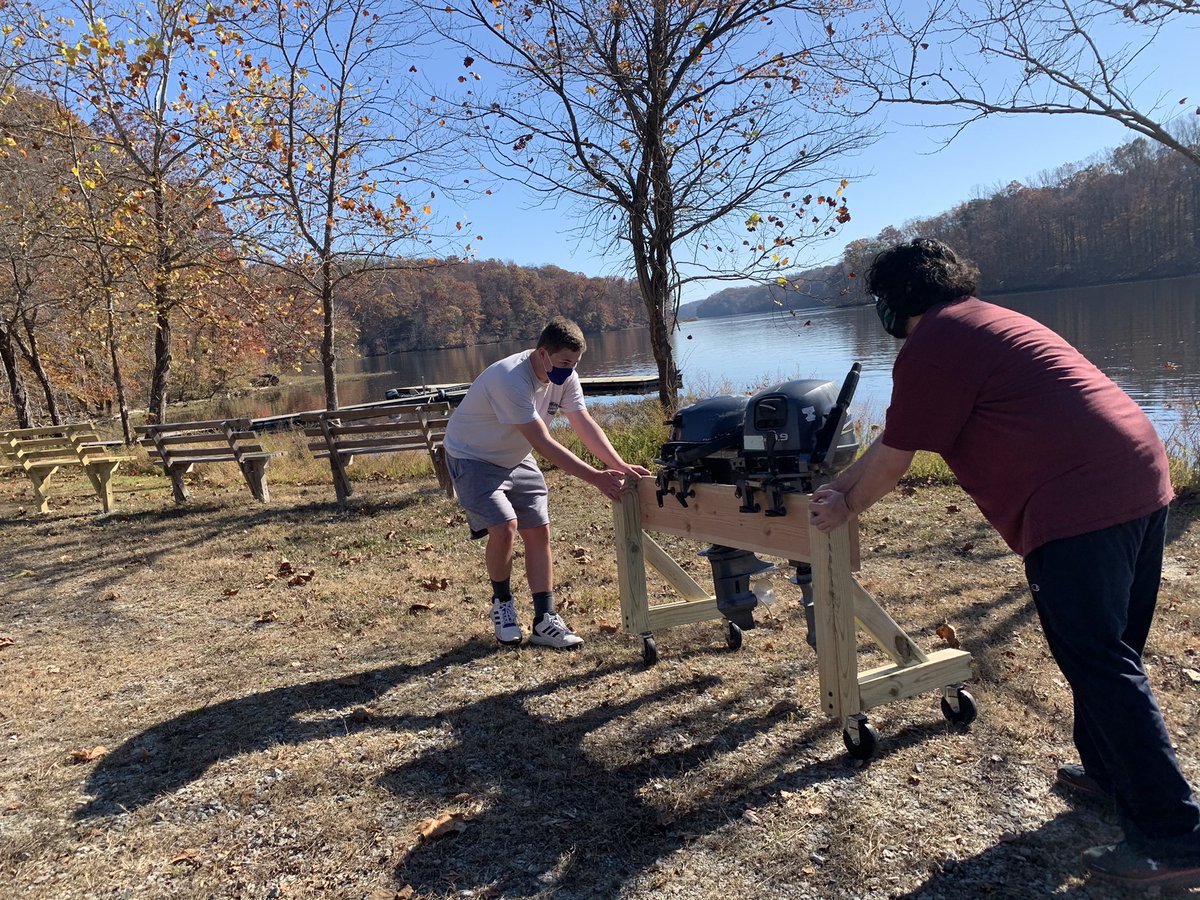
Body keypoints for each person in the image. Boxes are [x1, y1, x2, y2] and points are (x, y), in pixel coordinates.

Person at [809, 238, 1200, 889]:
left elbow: (893, 461)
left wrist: (842, 506)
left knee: (1099, 659)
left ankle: (1174, 837)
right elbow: (895, 442)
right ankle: (1109, 774)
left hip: (1080, 501)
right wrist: (840, 490)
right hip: (1138, 474)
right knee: (1112, 649)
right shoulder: (981, 322)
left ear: (895, 300)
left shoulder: (934, 343)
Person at [443, 316, 650, 650]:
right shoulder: (511, 378)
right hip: (473, 457)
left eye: (575, 363)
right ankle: (503, 605)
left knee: (539, 530)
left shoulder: (566, 377)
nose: (569, 370)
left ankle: (544, 620)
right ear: (542, 353)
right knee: (505, 527)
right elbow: (543, 442)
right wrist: (595, 477)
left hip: (516, 454)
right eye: (564, 362)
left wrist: (618, 464)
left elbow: (582, 422)